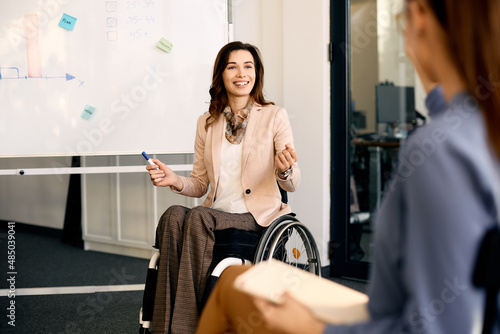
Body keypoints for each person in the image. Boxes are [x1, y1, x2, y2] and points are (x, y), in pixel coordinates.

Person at [195, 0, 500, 333]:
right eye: (232, 67)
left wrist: (314, 327)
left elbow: (438, 327)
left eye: (402, 19)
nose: (241, 74)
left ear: (422, 19)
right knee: (232, 274)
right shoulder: (477, 129)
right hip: (394, 311)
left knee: (232, 287)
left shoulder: (441, 151)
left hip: (376, 317)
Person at [145, 41, 301, 333]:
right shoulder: (207, 122)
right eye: (232, 66)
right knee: (173, 216)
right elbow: (200, 182)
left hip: (257, 219)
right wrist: (174, 180)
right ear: (221, 74)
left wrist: (285, 169)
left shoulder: (273, 116)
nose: (241, 73)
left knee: (199, 218)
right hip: (216, 215)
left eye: (248, 66)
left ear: (256, 74)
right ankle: (164, 326)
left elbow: (292, 182)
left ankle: (189, 326)